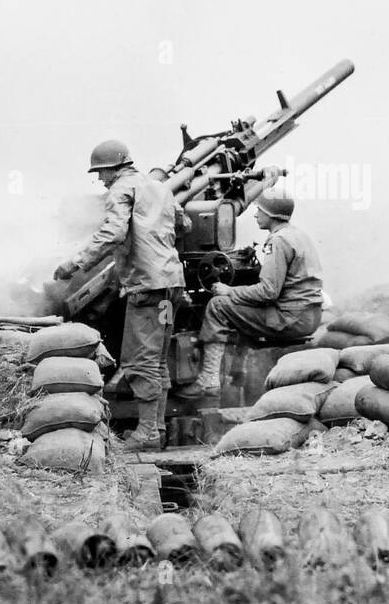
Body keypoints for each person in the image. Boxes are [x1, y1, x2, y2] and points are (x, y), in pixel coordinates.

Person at [52, 140, 185, 451]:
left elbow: (113, 233)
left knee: (139, 362)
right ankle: (157, 428)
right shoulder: (158, 187)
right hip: (169, 287)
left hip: (147, 289)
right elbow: (183, 222)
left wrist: (75, 262)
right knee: (158, 360)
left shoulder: (119, 191)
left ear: (114, 168)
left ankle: (147, 434)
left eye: (101, 172)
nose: (100, 179)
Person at [179, 188, 323, 399]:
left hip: (289, 318)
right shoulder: (298, 235)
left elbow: (268, 292)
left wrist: (229, 290)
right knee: (242, 311)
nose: (256, 214)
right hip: (308, 315)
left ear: (271, 215)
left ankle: (208, 380)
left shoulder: (278, 241)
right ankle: (238, 374)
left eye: (259, 209)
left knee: (218, 306)